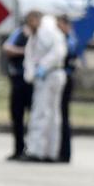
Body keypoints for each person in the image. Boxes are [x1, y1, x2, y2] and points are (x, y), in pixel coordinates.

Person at [23, 14, 68, 162]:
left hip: (50, 75)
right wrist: (30, 73)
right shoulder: (37, 34)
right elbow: (29, 56)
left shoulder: (48, 32)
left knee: (42, 114)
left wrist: (42, 67)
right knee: (50, 115)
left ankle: (37, 151)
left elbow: (58, 52)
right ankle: (49, 151)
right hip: (46, 76)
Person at [2, 11, 42, 160]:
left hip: (35, 81)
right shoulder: (20, 33)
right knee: (17, 115)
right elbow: (7, 47)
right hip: (19, 78)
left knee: (34, 117)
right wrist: (25, 52)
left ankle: (32, 148)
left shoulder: (42, 35)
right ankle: (18, 148)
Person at [58, 16, 81, 163]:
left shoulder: (69, 41)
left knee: (63, 116)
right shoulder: (66, 39)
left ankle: (65, 153)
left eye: (59, 25)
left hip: (65, 80)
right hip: (62, 79)